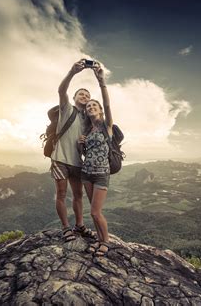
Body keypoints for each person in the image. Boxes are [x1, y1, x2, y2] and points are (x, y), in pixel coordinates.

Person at [51, 59, 96, 242]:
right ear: (75, 97)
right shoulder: (66, 108)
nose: (84, 96)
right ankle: (65, 228)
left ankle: (80, 225)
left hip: (78, 162)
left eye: (87, 95)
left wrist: (86, 140)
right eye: (81, 94)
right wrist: (72, 72)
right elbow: (61, 90)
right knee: (61, 194)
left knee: (78, 195)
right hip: (60, 158)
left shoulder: (88, 120)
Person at [78, 63, 113, 257]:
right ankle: (99, 240)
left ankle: (105, 242)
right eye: (88, 106)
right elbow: (83, 153)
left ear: (99, 110)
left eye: (94, 105)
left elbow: (108, 104)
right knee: (93, 211)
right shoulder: (87, 130)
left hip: (101, 175)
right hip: (86, 174)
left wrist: (101, 81)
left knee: (95, 212)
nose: (91, 107)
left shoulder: (106, 125)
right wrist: (80, 143)